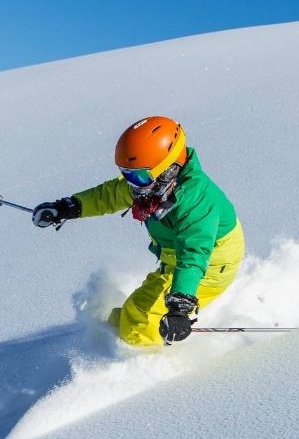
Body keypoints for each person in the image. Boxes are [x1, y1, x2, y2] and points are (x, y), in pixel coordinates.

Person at [32, 116, 244, 346]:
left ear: (168, 168)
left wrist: (179, 308)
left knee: (139, 319)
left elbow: (194, 256)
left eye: (139, 176)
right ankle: (111, 342)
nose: (132, 183)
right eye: (127, 174)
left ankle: (145, 365)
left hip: (208, 269)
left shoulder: (197, 202)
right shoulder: (151, 187)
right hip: (176, 262)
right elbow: (110, 195)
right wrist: (69, 207)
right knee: (127, 316)